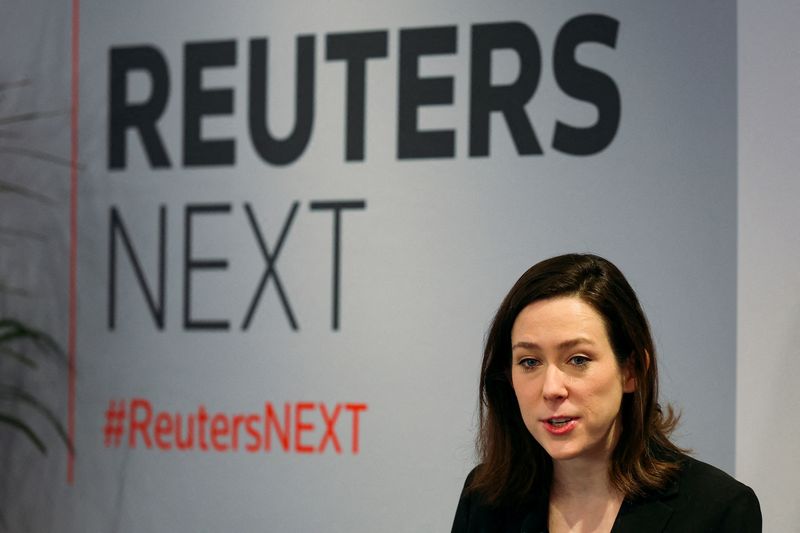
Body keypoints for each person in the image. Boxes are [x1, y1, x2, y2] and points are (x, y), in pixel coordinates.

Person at [451, 253, 761, 533]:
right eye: (530, 362)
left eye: (578, 360)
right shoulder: (484, 500)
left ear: (632, 370)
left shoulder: (719, 510)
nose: (551, 389)